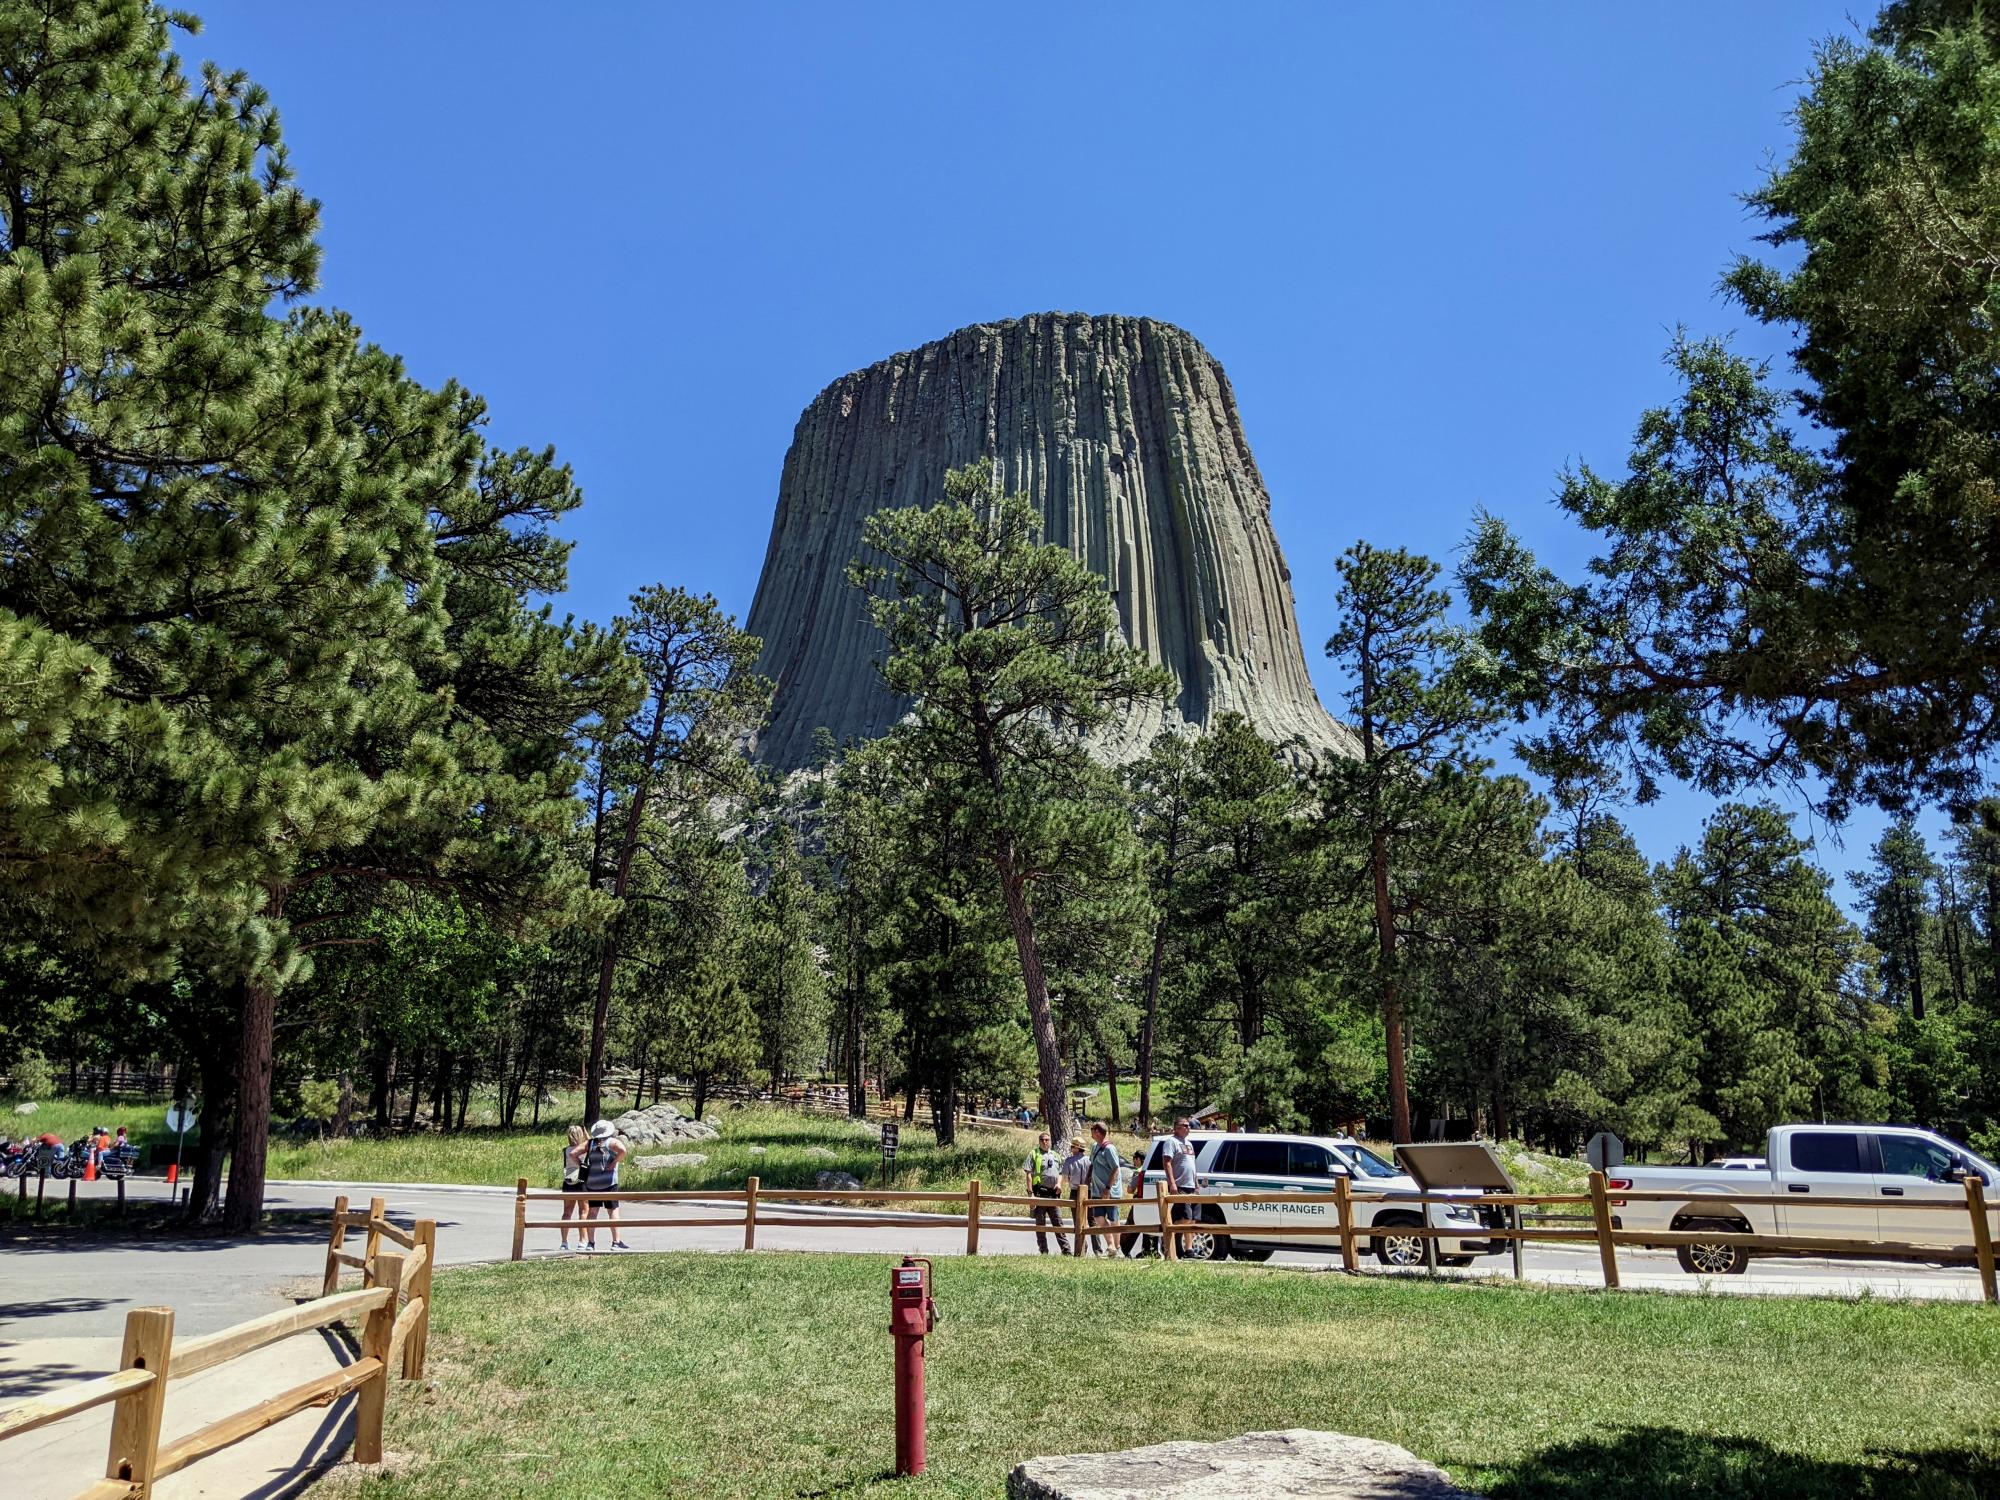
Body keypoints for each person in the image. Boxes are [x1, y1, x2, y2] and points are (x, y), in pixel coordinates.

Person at [580, 1120, 630, 1250]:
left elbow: (574, 1153)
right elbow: (623, 1150)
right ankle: (616, 1242)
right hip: (609, 1182)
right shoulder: (612, 1142)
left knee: (593, 1212)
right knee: (613, 1211)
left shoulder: (590, 1143)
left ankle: (590, 1243)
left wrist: (582, 1165)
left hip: (592, 1183)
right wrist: (614, 1162)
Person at [1157, 1116, 1201, 1256]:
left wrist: (1197, 1183)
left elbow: (1192, 1165)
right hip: (1180, 1184)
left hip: (1191, 1186)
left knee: (1193, 1219)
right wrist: (1172, 1183)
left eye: (1189, 1125)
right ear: (1176, 1127)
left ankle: (1189, 1249)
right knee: (1185, 1217)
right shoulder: (1171, 1142)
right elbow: (1167, 1162)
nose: (1188, 1127)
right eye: (1185, 1125)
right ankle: (1166, 1236)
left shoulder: (1189, 1143)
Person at [1022, 1130, 1068, 1255]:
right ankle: (1043, 1251)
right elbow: (1028, 1174)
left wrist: (1059, 1184)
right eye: (1042, 1140)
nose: (1044, 1142)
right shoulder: (1034, 1154)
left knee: (1058, 1224)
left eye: (1047, 1140)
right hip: (1039, 1195)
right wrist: (1030, 1193)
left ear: (1050, 1141)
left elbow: (1060, 1173)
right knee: (1040, 1225)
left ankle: (1066, 1251)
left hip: (1053, 1196)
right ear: (1039, 1141)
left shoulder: (1056, 1155)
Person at [1085, 1123, 1122, 1257]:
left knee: (1113, 1219)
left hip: (1110, 1191)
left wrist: (1108, 1188)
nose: (1091, 1133)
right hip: (1096, 1190)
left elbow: (1115, 1168)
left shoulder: (1109, 1149)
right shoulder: (1095, 1147)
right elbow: (1092, 1165)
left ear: (1098, 1132)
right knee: (1098, 1217)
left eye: (1092, 1130)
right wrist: (1087, 1180)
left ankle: (1117, 1248)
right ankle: (1111, 1245)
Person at [1058, 1134, 1091, 1255]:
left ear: (1076, 1148)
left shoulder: (1069, 1161)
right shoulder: (1089, 1161)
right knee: (1089, 1221)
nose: (1071, 1149)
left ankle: (1081, 1246)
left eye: (1072, 1147)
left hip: (1075, 1192)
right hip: (1088, 1191)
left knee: (1077, 1220)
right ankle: (1095, 1248)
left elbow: (1065, 1179)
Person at [558, 1124, 588, 1250]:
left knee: (567, 1212)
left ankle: (564, 1242)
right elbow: (591, 1143)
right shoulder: (583, 1149)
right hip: (581, 1181)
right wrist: (586, 1134)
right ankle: (582, 1241)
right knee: (583, 1212)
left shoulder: (566, 1150)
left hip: (568, 1181)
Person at [1121, 1147, 1147, 1258]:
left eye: (1134, 1159)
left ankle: (1124, 1249)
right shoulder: (1148, 1170)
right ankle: (1147, 1250)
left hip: (1138, 1200)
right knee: (1148, 1225)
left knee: (1131, 1224)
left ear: (1139, 1159)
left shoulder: (1138, 1172)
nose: (1133, 1161)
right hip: (1149, 1201)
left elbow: (1130, 1189)